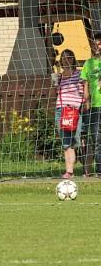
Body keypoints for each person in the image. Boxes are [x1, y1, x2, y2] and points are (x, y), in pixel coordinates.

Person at [55, 49, 84, 179]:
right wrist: (54, 81)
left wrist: (83, 103)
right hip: (61, 110)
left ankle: (78, 166)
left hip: (74, 110)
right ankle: (69, 171)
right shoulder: (59, 76)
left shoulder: (79, 73)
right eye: (64, 57)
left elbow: (84, 90)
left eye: (70, 57)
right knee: (65, 142)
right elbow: (55, 93)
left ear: (73, 59)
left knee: (74, 141)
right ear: (61, 60)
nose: (67, 60)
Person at [81, 32, 101, 176]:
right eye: (95, 44)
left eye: (99, 43)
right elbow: (86, 85)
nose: (97, 46)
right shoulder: (89, 63)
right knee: (96, 138)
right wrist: (86, 102)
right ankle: (100, 169)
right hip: (95, 106)